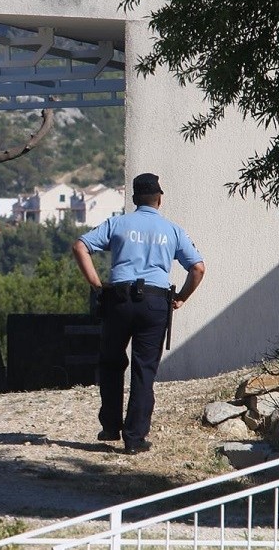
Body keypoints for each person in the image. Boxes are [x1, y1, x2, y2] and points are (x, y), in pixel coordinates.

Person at [71, 173, 205, 454]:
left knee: (110, 362)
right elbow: (198, 268)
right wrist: (181, 297)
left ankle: (110, 427)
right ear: (160, 199)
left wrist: (97, 285)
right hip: (155, 303)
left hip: (118, 300)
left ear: (133, 199)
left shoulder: (118, 223)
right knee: (144, 369)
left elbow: (80, 246)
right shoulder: (173, 230)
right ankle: (134, 438)